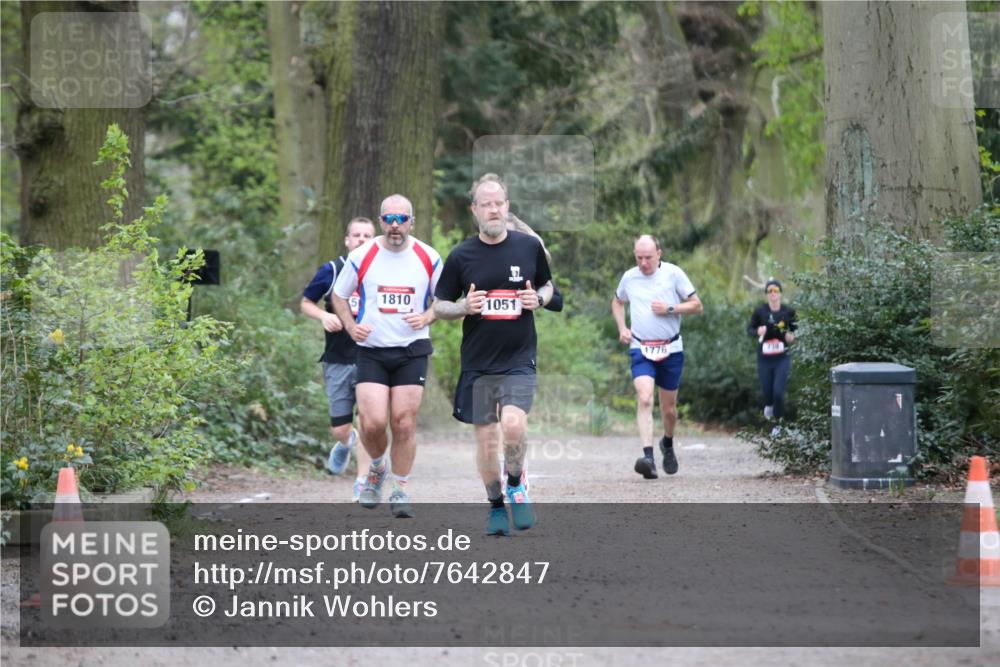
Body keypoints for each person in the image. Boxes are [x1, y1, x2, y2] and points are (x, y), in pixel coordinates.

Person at [433, 174, 555, 536]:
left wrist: (540, 299)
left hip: (518, 357)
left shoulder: (527, 247)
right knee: (487, 442)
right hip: (477, 363)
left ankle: (515, 482)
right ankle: (496, 506)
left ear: (507, 206)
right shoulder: (461, 256)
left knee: (514, 425)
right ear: (474, 210)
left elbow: (549, 286)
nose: (493, 209)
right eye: (485, 204)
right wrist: (463, 307)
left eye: (498, 202)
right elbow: (439, 306)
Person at [330, 195, 441, 518]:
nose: (395, 226)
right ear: (381, 221)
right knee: (373, 422)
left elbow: (446, 299)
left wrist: (427, 317)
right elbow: (338, 295)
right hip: (371, 350)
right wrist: (350, 327)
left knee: (403, 423)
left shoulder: (428, 257)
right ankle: (377, 467)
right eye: (389, 219)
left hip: (412, 350)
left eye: (401, 219)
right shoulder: (363, 256)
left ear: (412, 222)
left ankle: (401, 488)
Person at [612, 235, 702, 480]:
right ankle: (648, 457)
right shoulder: (629, 277)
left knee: (669, 409)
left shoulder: (674, 274)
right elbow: (617, 301)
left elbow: (697, 305)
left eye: (648, 257)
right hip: (640, 347)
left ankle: (668, 443)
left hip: (671, 348)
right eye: (639, 257)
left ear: (659, 254)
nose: (643, 263)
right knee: (644, 397)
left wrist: (670, 308)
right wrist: (622, 328)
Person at [300, 217, 376, 501]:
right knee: (340, 427)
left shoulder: (383, 274)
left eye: (367, 235)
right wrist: (324, 315)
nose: (361, 240)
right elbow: (306, 302)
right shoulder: (332, 270)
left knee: (370, 420)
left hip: (372, 357)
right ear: (347, 240)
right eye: (356, 235)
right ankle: (347, 441)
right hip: (337, 358)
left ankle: (363, 481)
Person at [747, 278, 797, 430]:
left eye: (776, 290)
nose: (773, 293)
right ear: (767, 294)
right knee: (767, 391)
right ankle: (768, 406)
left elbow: (796, 330)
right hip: (765, 358)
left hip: (782, 357)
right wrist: (758, 331)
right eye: (770, 291)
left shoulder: (788, 311)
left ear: (780, 293)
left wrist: (792, 337)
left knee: (778, 393)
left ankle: (778, 426)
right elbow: (749, 330)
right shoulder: (760, 311)